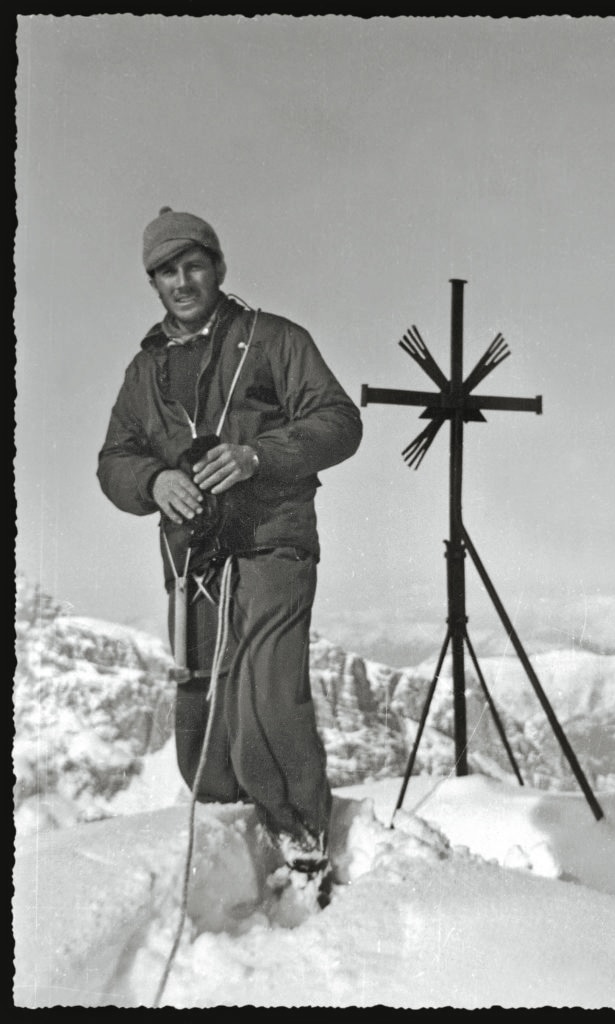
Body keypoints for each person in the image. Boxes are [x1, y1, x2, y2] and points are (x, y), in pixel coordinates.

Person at [98, 207, 362, 906]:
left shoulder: (272, 340)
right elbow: (114, 459)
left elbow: (339, 420)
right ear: (153, 283)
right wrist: (154, 480)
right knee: (200, 708)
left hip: (273, 540)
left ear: (217, 267)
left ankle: (304, 848)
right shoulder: (145, 371)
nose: (182, 281)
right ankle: (232, 836)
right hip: (194, 561)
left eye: (194, 265)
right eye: (166, 272)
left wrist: (257, 455)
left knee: (267, 694)